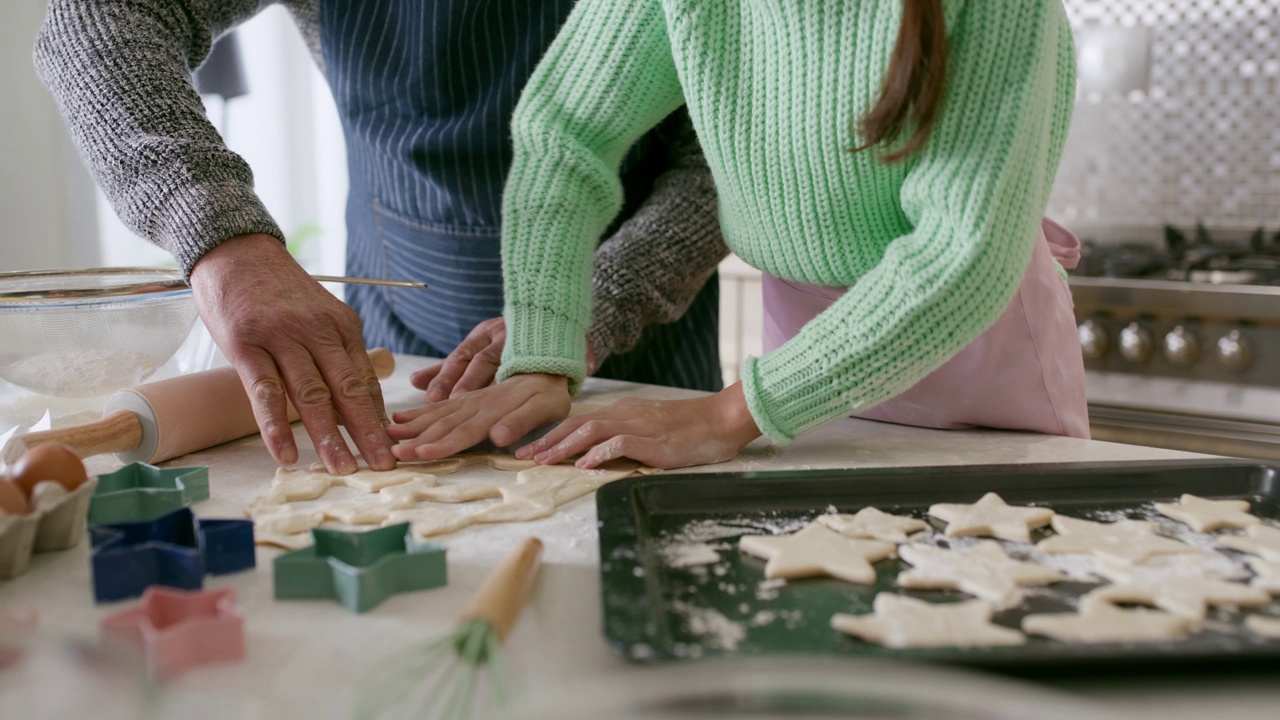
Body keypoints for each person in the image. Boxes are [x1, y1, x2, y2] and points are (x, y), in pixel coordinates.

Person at [34, 0, 727, 476]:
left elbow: (728, 161)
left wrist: (596, 305)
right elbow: (92, 18)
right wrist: (220, 235)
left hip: (642, 360)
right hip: (398, 341)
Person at [388, 0, 1090, 469]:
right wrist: (542, 351)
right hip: (802, 346)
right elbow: (564, 133)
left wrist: (733, 414)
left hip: (978, 344)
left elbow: (962, 254)